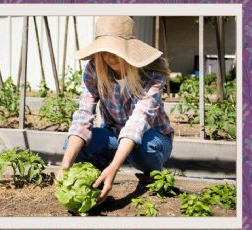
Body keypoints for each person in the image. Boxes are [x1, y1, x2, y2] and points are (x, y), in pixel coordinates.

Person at [57, 16, 175, 205]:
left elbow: (139, 121)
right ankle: (101, 173)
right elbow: (83, 115)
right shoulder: (94, 70)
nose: (109, 56)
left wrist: (114, 167)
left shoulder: (152, 72)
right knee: (71, 147)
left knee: (143, 149)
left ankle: (149, 172)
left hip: (152, 138)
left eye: (115, 49)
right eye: (104, 50)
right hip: (114, 135)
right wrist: (65, 164)